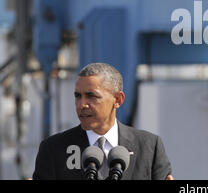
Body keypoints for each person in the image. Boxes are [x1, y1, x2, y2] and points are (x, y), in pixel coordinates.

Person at [32, 62, 173, 180]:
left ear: (117, 100)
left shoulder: (150, 147)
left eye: (91, 96)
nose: (82, 104)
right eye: (78, 96)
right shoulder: (53, 149)